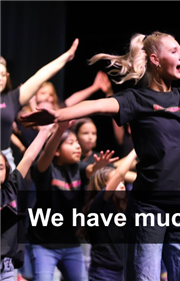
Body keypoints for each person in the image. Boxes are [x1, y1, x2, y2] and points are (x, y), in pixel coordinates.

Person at [21, 1, 180, 279]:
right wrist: (57, 114)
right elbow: (94, 107)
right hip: (149, 208)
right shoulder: (135, 100)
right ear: (155, 59)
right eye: (175, 51)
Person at [28, 119, 116, 281]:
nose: (77, 146)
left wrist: (99, 167)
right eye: (71, 143)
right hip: (44, 245)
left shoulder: (79, 168)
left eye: (77, 142)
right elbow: (47, 153)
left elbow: (91, 171)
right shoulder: (46, 169)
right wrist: (60, 130)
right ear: (57, 151)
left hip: (71, 245)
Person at [0, 40, 78, 169]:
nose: (1, 78)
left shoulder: (11, 98)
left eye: (3, 74)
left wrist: (67, 56)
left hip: (4, 159)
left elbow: (41, 75)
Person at [0, 125, 52, 280]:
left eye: (0, 167)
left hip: (7, 266)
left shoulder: (11, 188)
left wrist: (44, 131)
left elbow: (29, 157)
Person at [76, 149, 136, 281]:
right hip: (104, 272)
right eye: (117, 182)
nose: (122, 186)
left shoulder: (124, 205)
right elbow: (120, 173)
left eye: (122, 182)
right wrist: (134, 151)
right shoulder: (97, 205)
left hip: (125, 271)